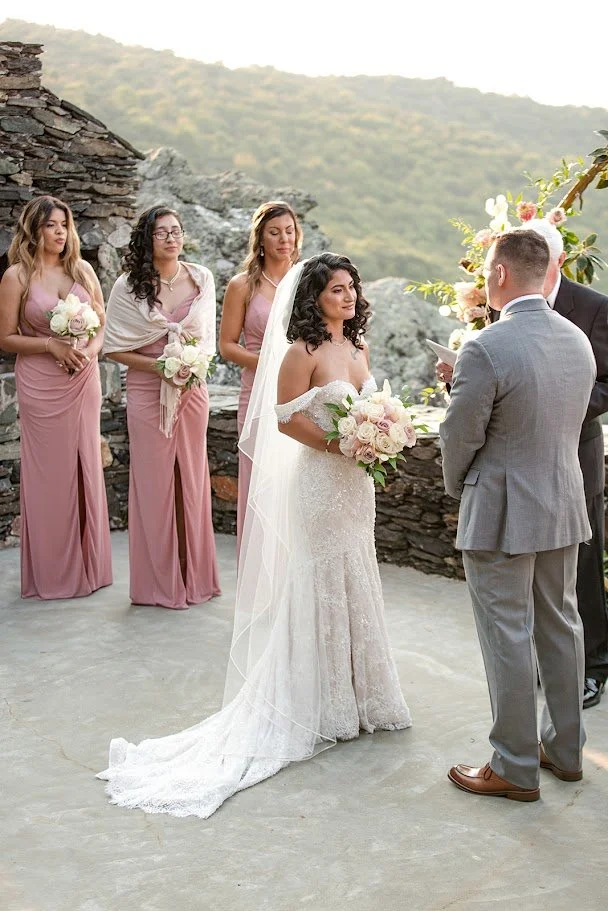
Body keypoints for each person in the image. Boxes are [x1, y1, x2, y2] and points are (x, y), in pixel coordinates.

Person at [97, 253, 410, 818]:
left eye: (352, 289)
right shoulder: (302, 352)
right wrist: (342, 445)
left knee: (356, 574)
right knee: (317, 579)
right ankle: (318, 701)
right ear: (314, 297)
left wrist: (378, 435)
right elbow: (285, 418)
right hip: (319, 481)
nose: (347, 297)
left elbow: (367, 406)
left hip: (354, 487)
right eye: (337, 289)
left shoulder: (358, 348)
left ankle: (361, 696)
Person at [440, 230, 595, 801]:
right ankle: (564, 751)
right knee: (561, 624)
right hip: (563, 502)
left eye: (486, 270)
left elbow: (461, 433)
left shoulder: (486, 347)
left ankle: (512, 766)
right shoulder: (577, 339)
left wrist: (459, 483)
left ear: (501, 275)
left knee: (507, 632)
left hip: (503, 506)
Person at [103, 206, 220, 611]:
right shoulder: (127, 286)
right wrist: (159, 366)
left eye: (176, 231)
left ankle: (196, 578)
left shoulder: (202, 277)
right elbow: (114, 346)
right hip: (145, 390)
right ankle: (157, 585)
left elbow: (207, 340)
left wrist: (188, 368)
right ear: (147, 240)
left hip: (191, 388)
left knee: (192, 477)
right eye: (161, 233)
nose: (171, 238)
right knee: (153, 482)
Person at [0, 195, 112, 599]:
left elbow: (101, 322)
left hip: (82, 379)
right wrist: (52, 346)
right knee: (49, 475)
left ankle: (90, 569)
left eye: (64, 224)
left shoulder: (81, 270)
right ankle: (52, 572)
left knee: (85, 466)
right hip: (41, 382)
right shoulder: (17, 276)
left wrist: (88, 352)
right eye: (51, 225)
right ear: (35, 230)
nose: (60, 232)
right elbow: (6, 336)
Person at [523, 219, 608, 709]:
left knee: (583, 562)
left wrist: (556, 400)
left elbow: (607, 385)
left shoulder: (595, 309)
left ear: (555, 260)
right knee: (540, 563)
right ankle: (553, 658)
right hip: (529, 455)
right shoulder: (509, 304)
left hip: (578, 455)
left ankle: (594, 665)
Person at [219, 200, 302, 553]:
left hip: (299, 395)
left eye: (289, 231)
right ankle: (255, 576)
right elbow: (226, 345)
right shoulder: (242, 285)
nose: (284, 239)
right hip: (255, 395)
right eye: (275, 232)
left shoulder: (308, 279)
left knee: (295, 484)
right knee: (258, 483)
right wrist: (265, 363)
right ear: (261, 239)